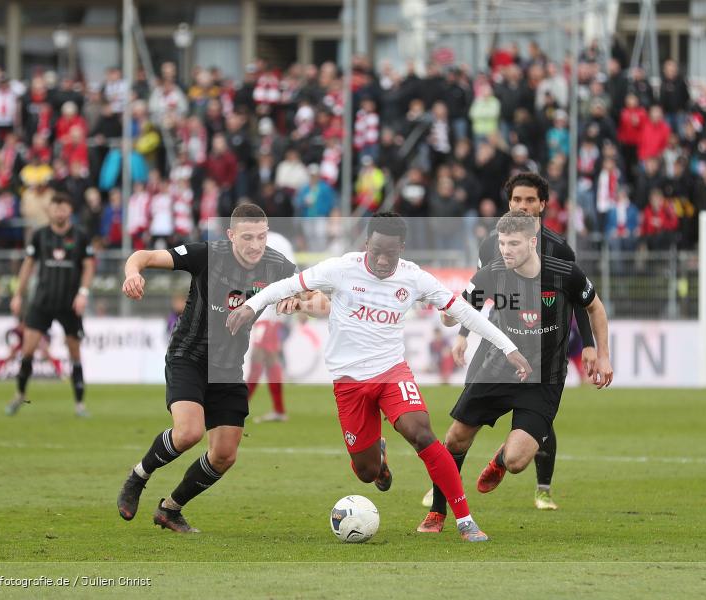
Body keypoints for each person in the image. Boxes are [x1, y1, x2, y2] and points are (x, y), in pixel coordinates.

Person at [227, 213, 533, 542]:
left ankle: (464, 519)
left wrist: (508, 347)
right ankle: (380, 459)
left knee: (421, 433)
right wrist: (251, 306)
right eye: (377, 252)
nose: (384, 260)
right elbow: (288, 286)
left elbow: (465, 312)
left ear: (402, 248)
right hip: (349, 383)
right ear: (366, 245)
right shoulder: (341, 268)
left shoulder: (414, 278)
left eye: (392, 253)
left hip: (391, 372)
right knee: (366, 472)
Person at [417, 212, 613, 533]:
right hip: (498, 369)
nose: (506, 250)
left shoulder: (564, 273)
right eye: (502, 243)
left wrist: (602, 355)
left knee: (517, 461)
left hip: (544, 378)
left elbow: (594, 307)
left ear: (532, 242)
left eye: (514, 243)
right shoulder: (491, 274)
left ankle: (500, 460)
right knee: (455, 440)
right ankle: (437, 512)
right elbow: (459, 314)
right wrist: (449, 316)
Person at [115, 204, 306, 532]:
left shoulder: (277, 265)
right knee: (189, 433)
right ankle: (138, 477)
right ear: (231, 235)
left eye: (261, 236)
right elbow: (142, 256)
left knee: (224, 455)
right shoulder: (206, 254)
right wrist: (133, 273)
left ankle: (171, 509)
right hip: (188, 357)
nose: (255, 245)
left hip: (228, 369)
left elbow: (311, 294)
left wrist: (299, 300)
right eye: (247, 237)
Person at [6, 192, 95, 417]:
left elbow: (89, 266)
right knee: (27, 350)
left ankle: (79, 405)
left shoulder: (80, 236)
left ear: (70, 211)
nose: (59, 211)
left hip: (69, 303)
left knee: (74, 352)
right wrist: (18, 294)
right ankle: (19, 395)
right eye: (55, 207)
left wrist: (83, 293)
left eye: (63, 207)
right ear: (50, 210)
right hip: (42, 301)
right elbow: (28, 266)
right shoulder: (40, 235)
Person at [248, 229, 296, 423]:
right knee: (269, 358)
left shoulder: (273, 242)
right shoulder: (279, 240)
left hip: (271, 308)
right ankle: (279, 410)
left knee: (260, 355)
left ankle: (237, 408)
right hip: (269, 307)